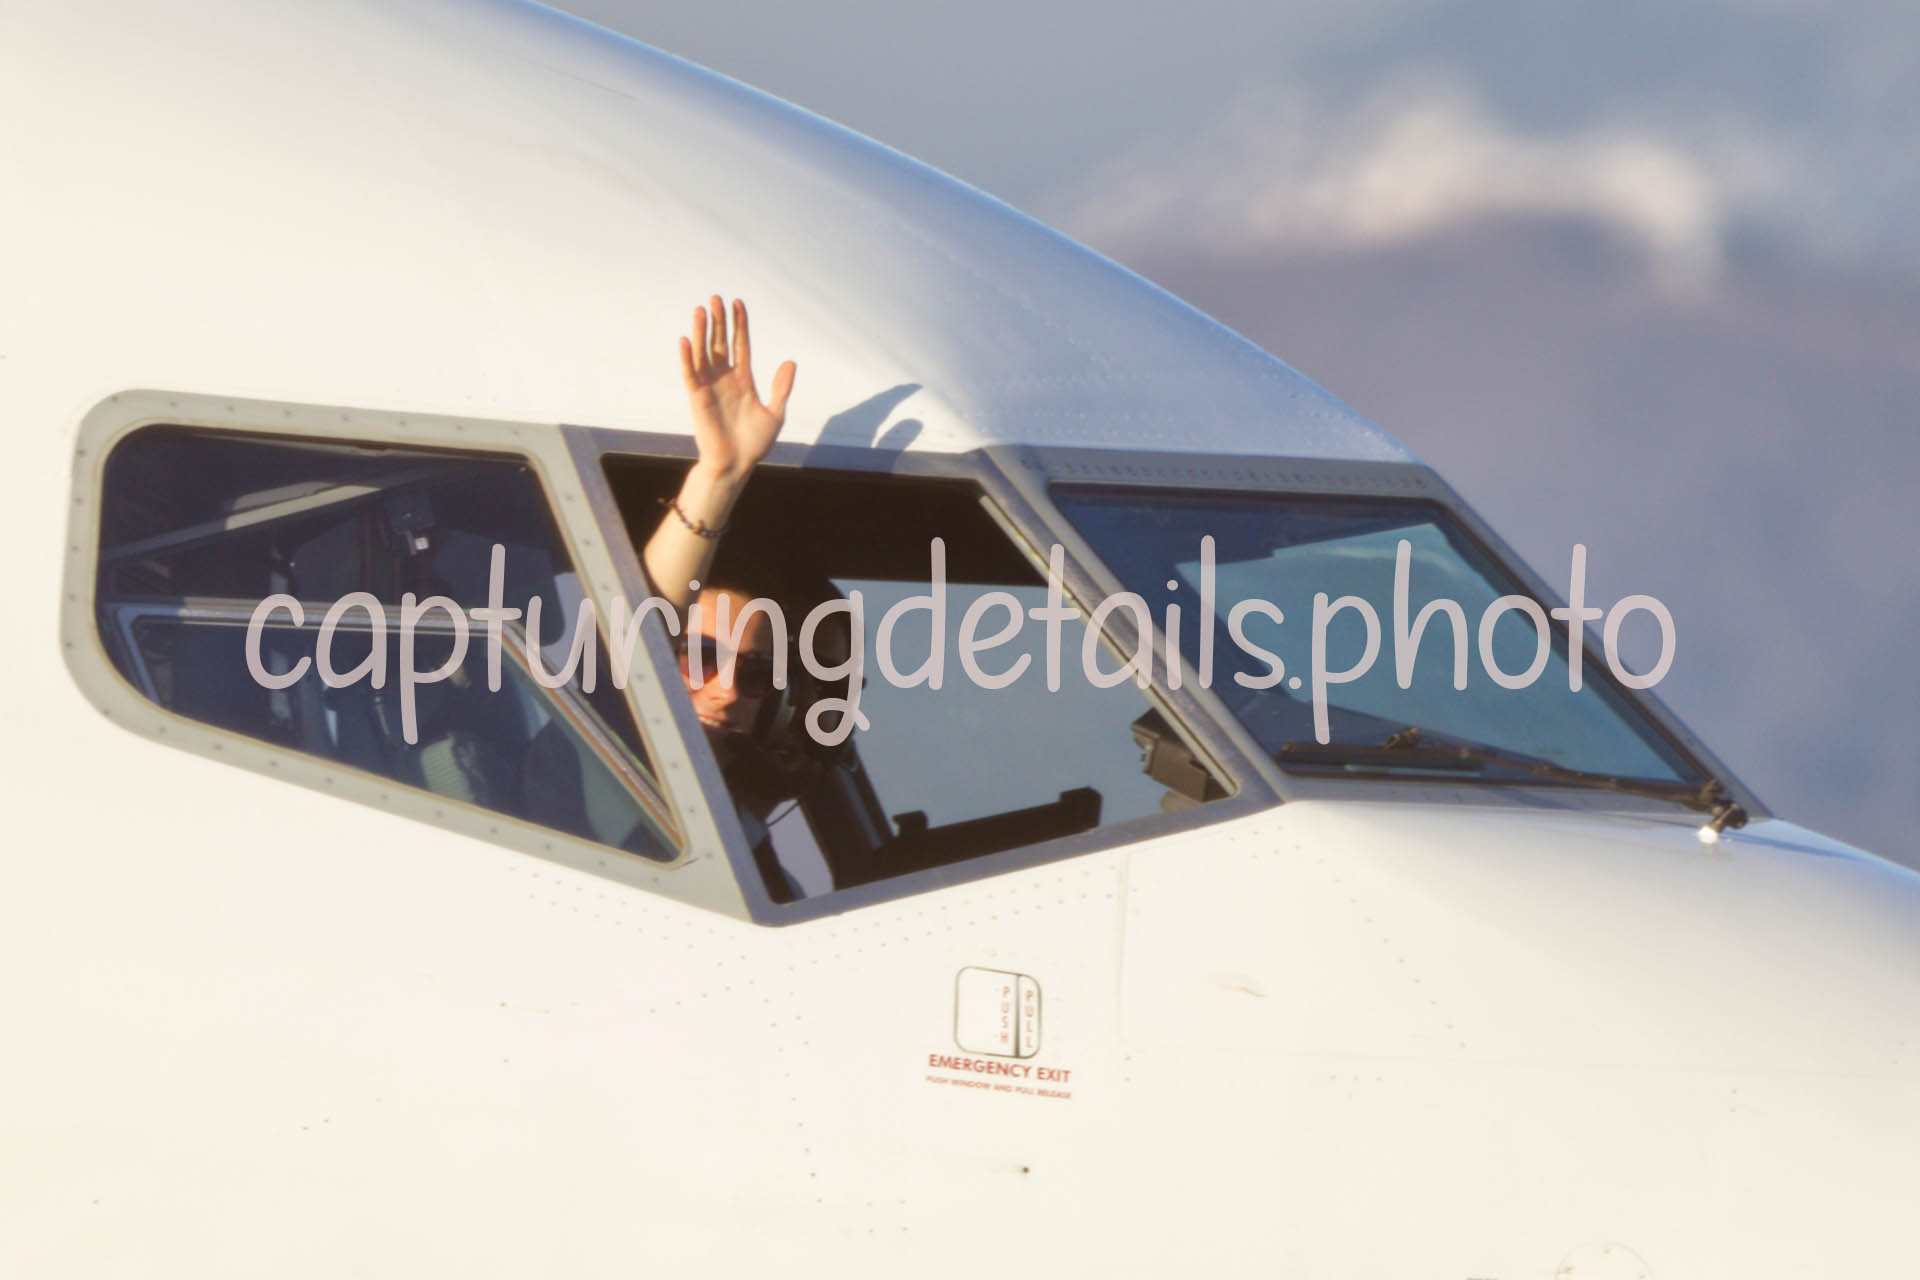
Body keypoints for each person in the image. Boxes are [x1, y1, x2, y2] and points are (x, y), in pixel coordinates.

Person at [643, 296, 816, 900]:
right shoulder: (592, 772)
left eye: (758, 674)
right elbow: (639, 624)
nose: (728, 691)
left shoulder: (756, 867)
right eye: (699, 654)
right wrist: (720, 475)